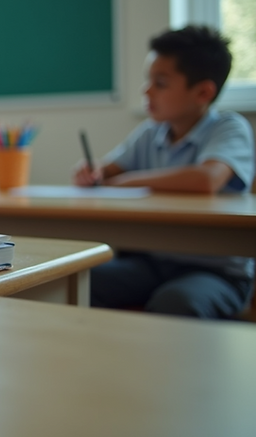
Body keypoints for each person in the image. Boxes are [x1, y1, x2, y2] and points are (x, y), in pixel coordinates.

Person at [72, 25, 254, 319]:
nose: (147, 90)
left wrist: (127, 182)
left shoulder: (229, 128)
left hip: (216, 272)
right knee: (79, 280)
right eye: (148, 80)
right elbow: (107, 170)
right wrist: (90, 171)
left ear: (203, 92)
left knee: (177, 302)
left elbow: (206, 179)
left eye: (161, 82)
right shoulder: (150, 132)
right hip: (151, 262)